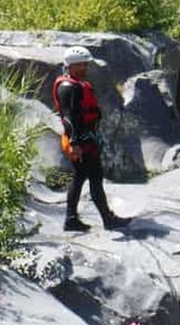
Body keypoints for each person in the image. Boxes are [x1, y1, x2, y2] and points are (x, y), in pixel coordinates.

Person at [52, 46, 131, 232]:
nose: (85, 67)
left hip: (86, 137)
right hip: (80, 140)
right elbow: (69, 117)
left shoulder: (76, 83)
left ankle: (71, 219)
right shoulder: (67, 87)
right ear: (71, 65)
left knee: (80, 176)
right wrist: (75, 143)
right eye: (82, 64)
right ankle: (107, 219)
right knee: (94, 177)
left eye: (86, 64)